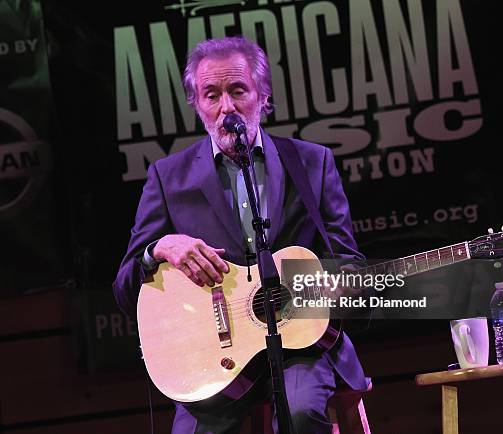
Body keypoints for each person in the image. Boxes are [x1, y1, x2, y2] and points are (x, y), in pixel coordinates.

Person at [113, 36, 369, 434]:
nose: (226, 107)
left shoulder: (312, 162)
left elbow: (349, 263)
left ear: (262, 96)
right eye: (211, 95)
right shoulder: (168, 178)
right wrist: (159, 248)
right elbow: (126, 287)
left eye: (238, 91)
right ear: (196, 105)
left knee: (301, 414)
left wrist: (338, 285)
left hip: (301, 348)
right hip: (214, 359)